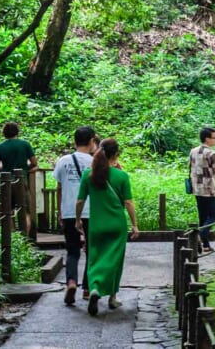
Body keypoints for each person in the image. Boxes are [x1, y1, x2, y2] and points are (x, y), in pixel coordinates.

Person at [75, 138, 139, 316]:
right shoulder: (121, 176)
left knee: (95, 258)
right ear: (116, 154)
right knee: (115, 261)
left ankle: (94, 288)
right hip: (116, 224)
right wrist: (134, 225)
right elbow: (128, 202)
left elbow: (80, 200)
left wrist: (78, 220)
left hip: (96, 224)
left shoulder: (89, 175)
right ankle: (112, 297)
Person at [52, 126, 97, 305]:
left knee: (72, 250)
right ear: (92, 141)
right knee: (92, 250)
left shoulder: (63, 161)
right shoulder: (94, 162)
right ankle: (87, 288)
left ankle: (71, 282)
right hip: (91, 211)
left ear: (74, 141)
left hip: (70, 211)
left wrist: (60, 211)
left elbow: (59, 188)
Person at [0, 122, 38, 234]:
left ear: (4, 133)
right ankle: (25, 238)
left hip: (6, 181)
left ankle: (12, 238)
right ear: (17, 132)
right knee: (26, 211)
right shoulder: (25, 144)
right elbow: (34, 163)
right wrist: (26, 169)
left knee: (8, 211)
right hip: (22, 180)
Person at [189, 127, 215, 253]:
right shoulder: (211, 153)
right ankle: (200, 235)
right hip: (209, 188)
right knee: (212, 216)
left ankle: (206, 245)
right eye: (214, 137)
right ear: (207, 139)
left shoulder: (193, 151)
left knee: (202, 217)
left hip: (197, 188)